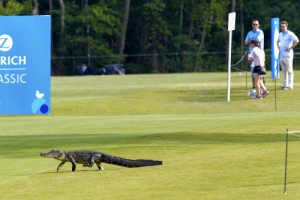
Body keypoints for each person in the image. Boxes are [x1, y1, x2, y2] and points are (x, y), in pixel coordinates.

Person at [277, 21, 299, 90]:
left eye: (284, 26)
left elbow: (296, 40)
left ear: (286, 26)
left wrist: (290, 47)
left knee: (289, 71)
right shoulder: (280, 34)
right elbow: (277, 41)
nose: (282, 27)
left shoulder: (290, 34)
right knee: (284, 71)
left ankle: (290, 85)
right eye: (281, 26)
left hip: (288, 55)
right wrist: (279, 47)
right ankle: (284, 85)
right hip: (282, 55)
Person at [245, 19, 265, 94]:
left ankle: (263, 89)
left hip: (259, 53)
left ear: (258, 25)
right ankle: (254, 88)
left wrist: (251, 40)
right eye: (254, 24)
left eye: (256, 24)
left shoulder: (260, 32)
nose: (255, 25)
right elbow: (246, 42)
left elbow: (257, 40)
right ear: (252, 25)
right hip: (251, 53)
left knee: (261, 72)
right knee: (253, 72)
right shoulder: (249, 33)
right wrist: (251, 41)